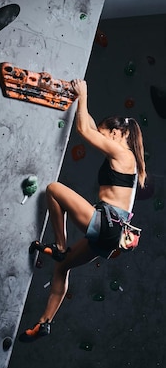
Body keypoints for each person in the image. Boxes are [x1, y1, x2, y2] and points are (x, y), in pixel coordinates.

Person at [20, 79, 147, 342]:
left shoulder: (124, 155)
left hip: (108, 223)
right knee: (61, 269)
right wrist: (80, 99)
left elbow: (83, 129)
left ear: (116, 133)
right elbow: (88, 124)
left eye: (104, 134)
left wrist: (84, 93)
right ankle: (44, 323)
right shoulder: (126, 158)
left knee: (54, 189)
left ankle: (60, 245)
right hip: (111, 236)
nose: (100, 138)